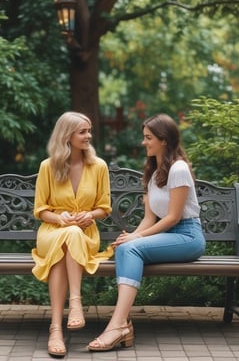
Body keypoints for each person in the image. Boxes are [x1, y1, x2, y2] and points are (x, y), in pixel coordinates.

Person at [87, 113, 206, 352]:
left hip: (188, 236)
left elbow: (172, 218)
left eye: (148, 137)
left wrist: (137, 237)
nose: (144, 142)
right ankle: (121, 325)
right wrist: (130, 236)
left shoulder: (179, 168)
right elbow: (150, 217)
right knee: (125, 246)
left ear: (164, 139)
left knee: (132, 245)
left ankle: (117, 324)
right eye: (144, 137)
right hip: (169, 234)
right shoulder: (153, 172)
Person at [31, 111, 113, 357]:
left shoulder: (99, 166)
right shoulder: (48, 166)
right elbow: (40, 210)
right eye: (83, 132)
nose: (89, 136)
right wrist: (60, 218)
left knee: (72, 237)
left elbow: (104, 207)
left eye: (89, 131)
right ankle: (75, 303)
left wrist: (91, 215)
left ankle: (56, 328)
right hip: (51, 231)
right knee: (67, 236)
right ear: (67, 136)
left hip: (85, 234)